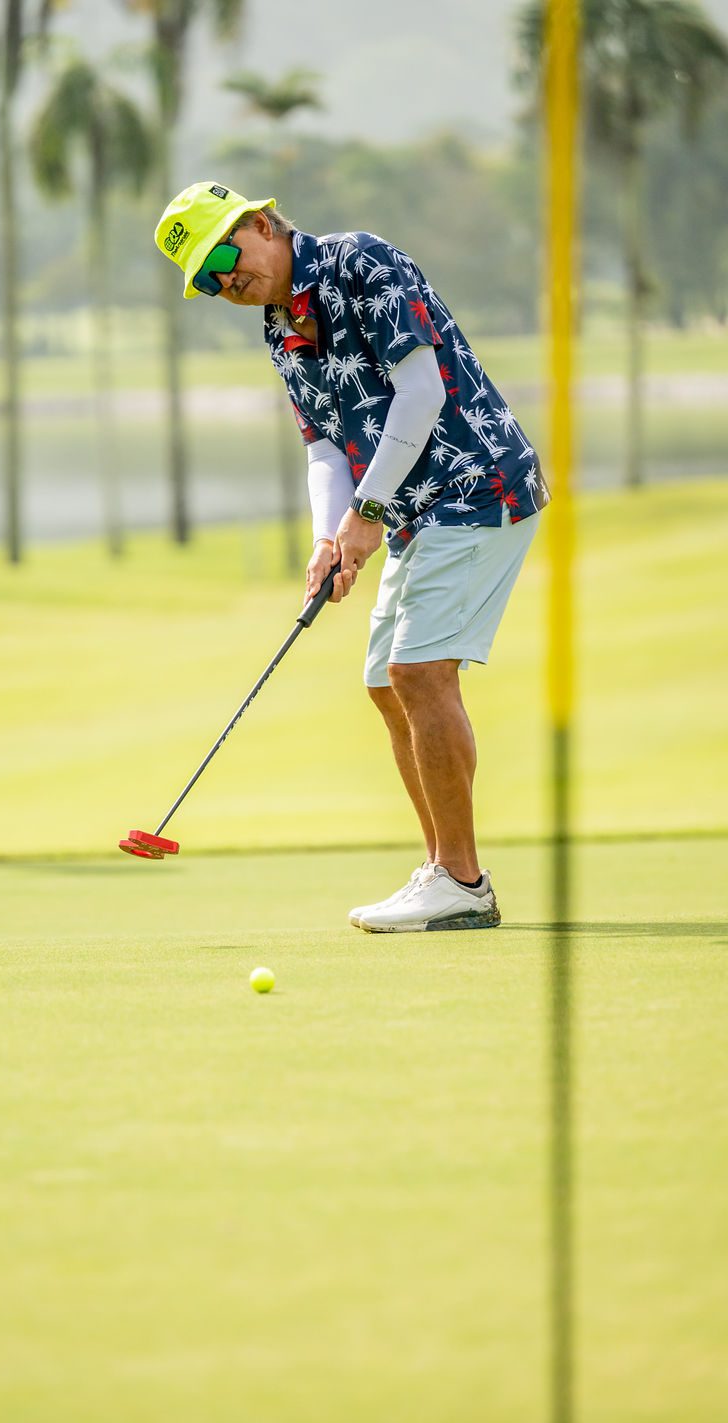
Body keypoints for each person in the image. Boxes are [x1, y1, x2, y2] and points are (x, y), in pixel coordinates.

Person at [155, 183, 548, 933]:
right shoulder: (280, 330)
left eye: (223, 259)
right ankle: (443, 870)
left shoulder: (359, 262)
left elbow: (420, 393)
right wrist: (328, 539)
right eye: (205, 280)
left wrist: (364, 516)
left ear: (261, 224)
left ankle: (462, 881)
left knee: (419, 673)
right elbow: (324, 448)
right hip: (410, 510)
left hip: (476, 482)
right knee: (384, 685)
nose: (223, 282)